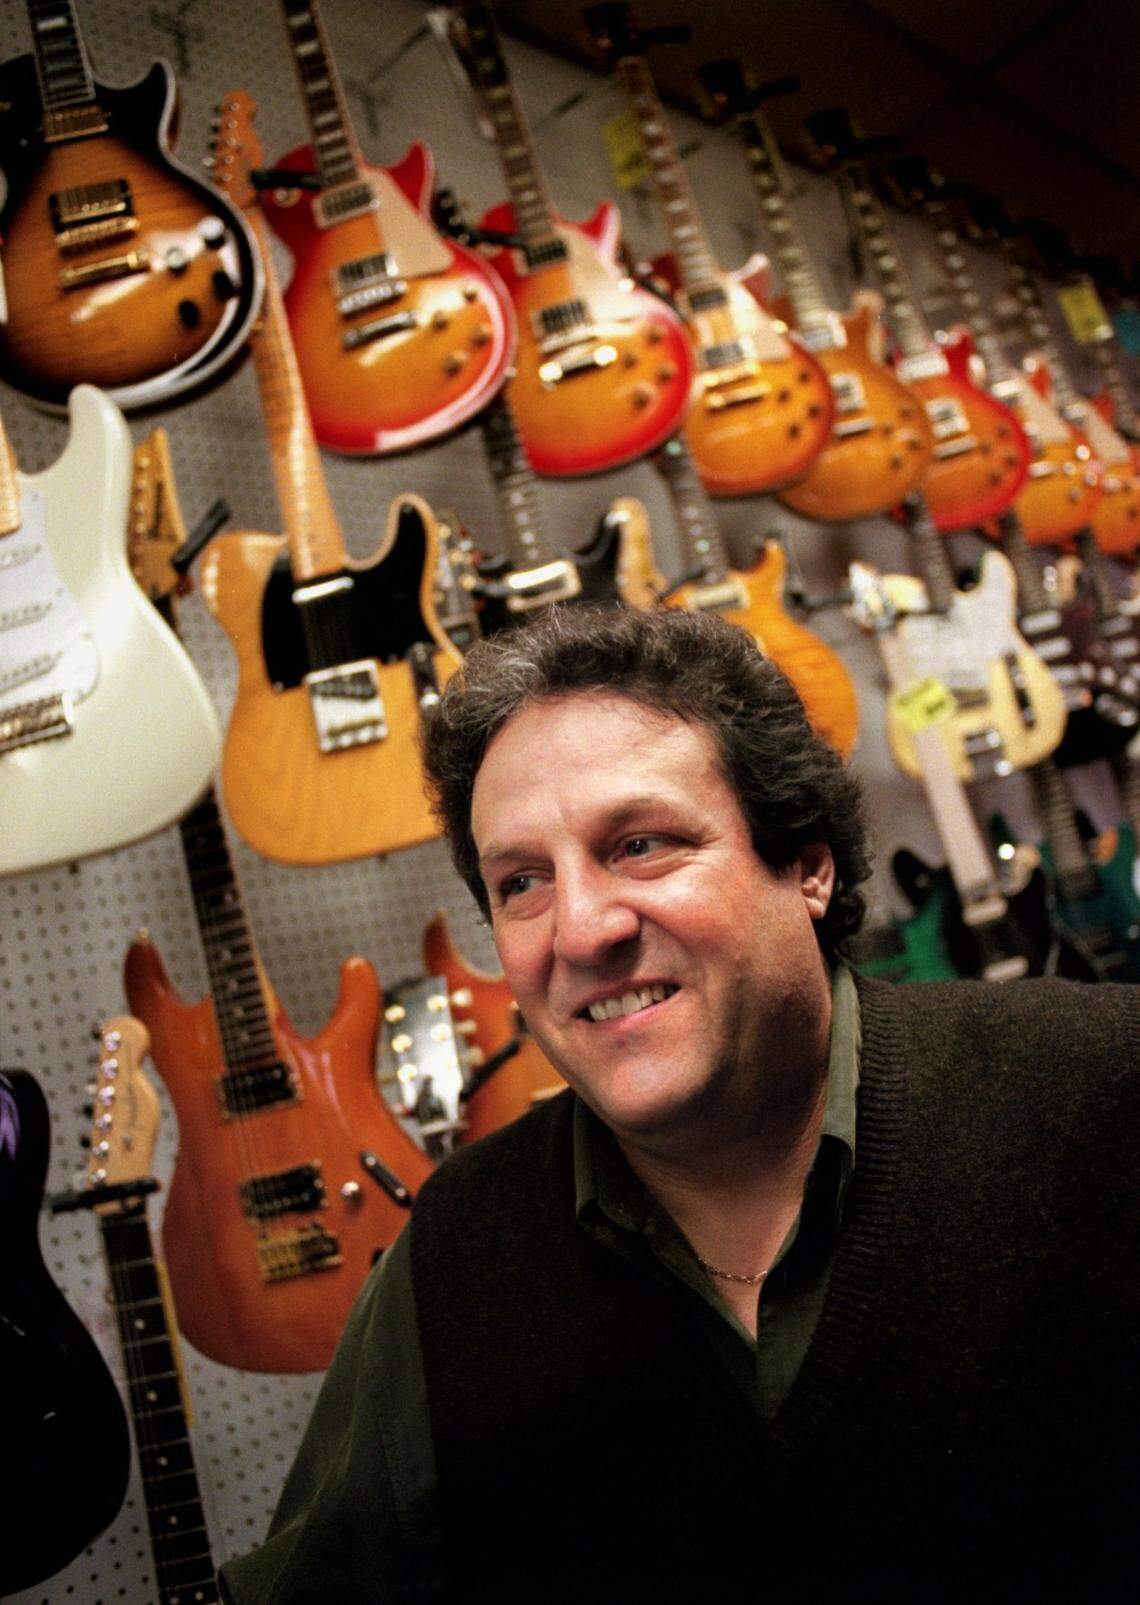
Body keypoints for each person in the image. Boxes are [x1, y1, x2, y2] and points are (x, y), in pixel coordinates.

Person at [220, 606, 1138, 1604]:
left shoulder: (1101, 1091)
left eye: (642, 845)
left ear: (808, 863)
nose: (579, 929)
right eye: (522, 881)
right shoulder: (453, 1257)